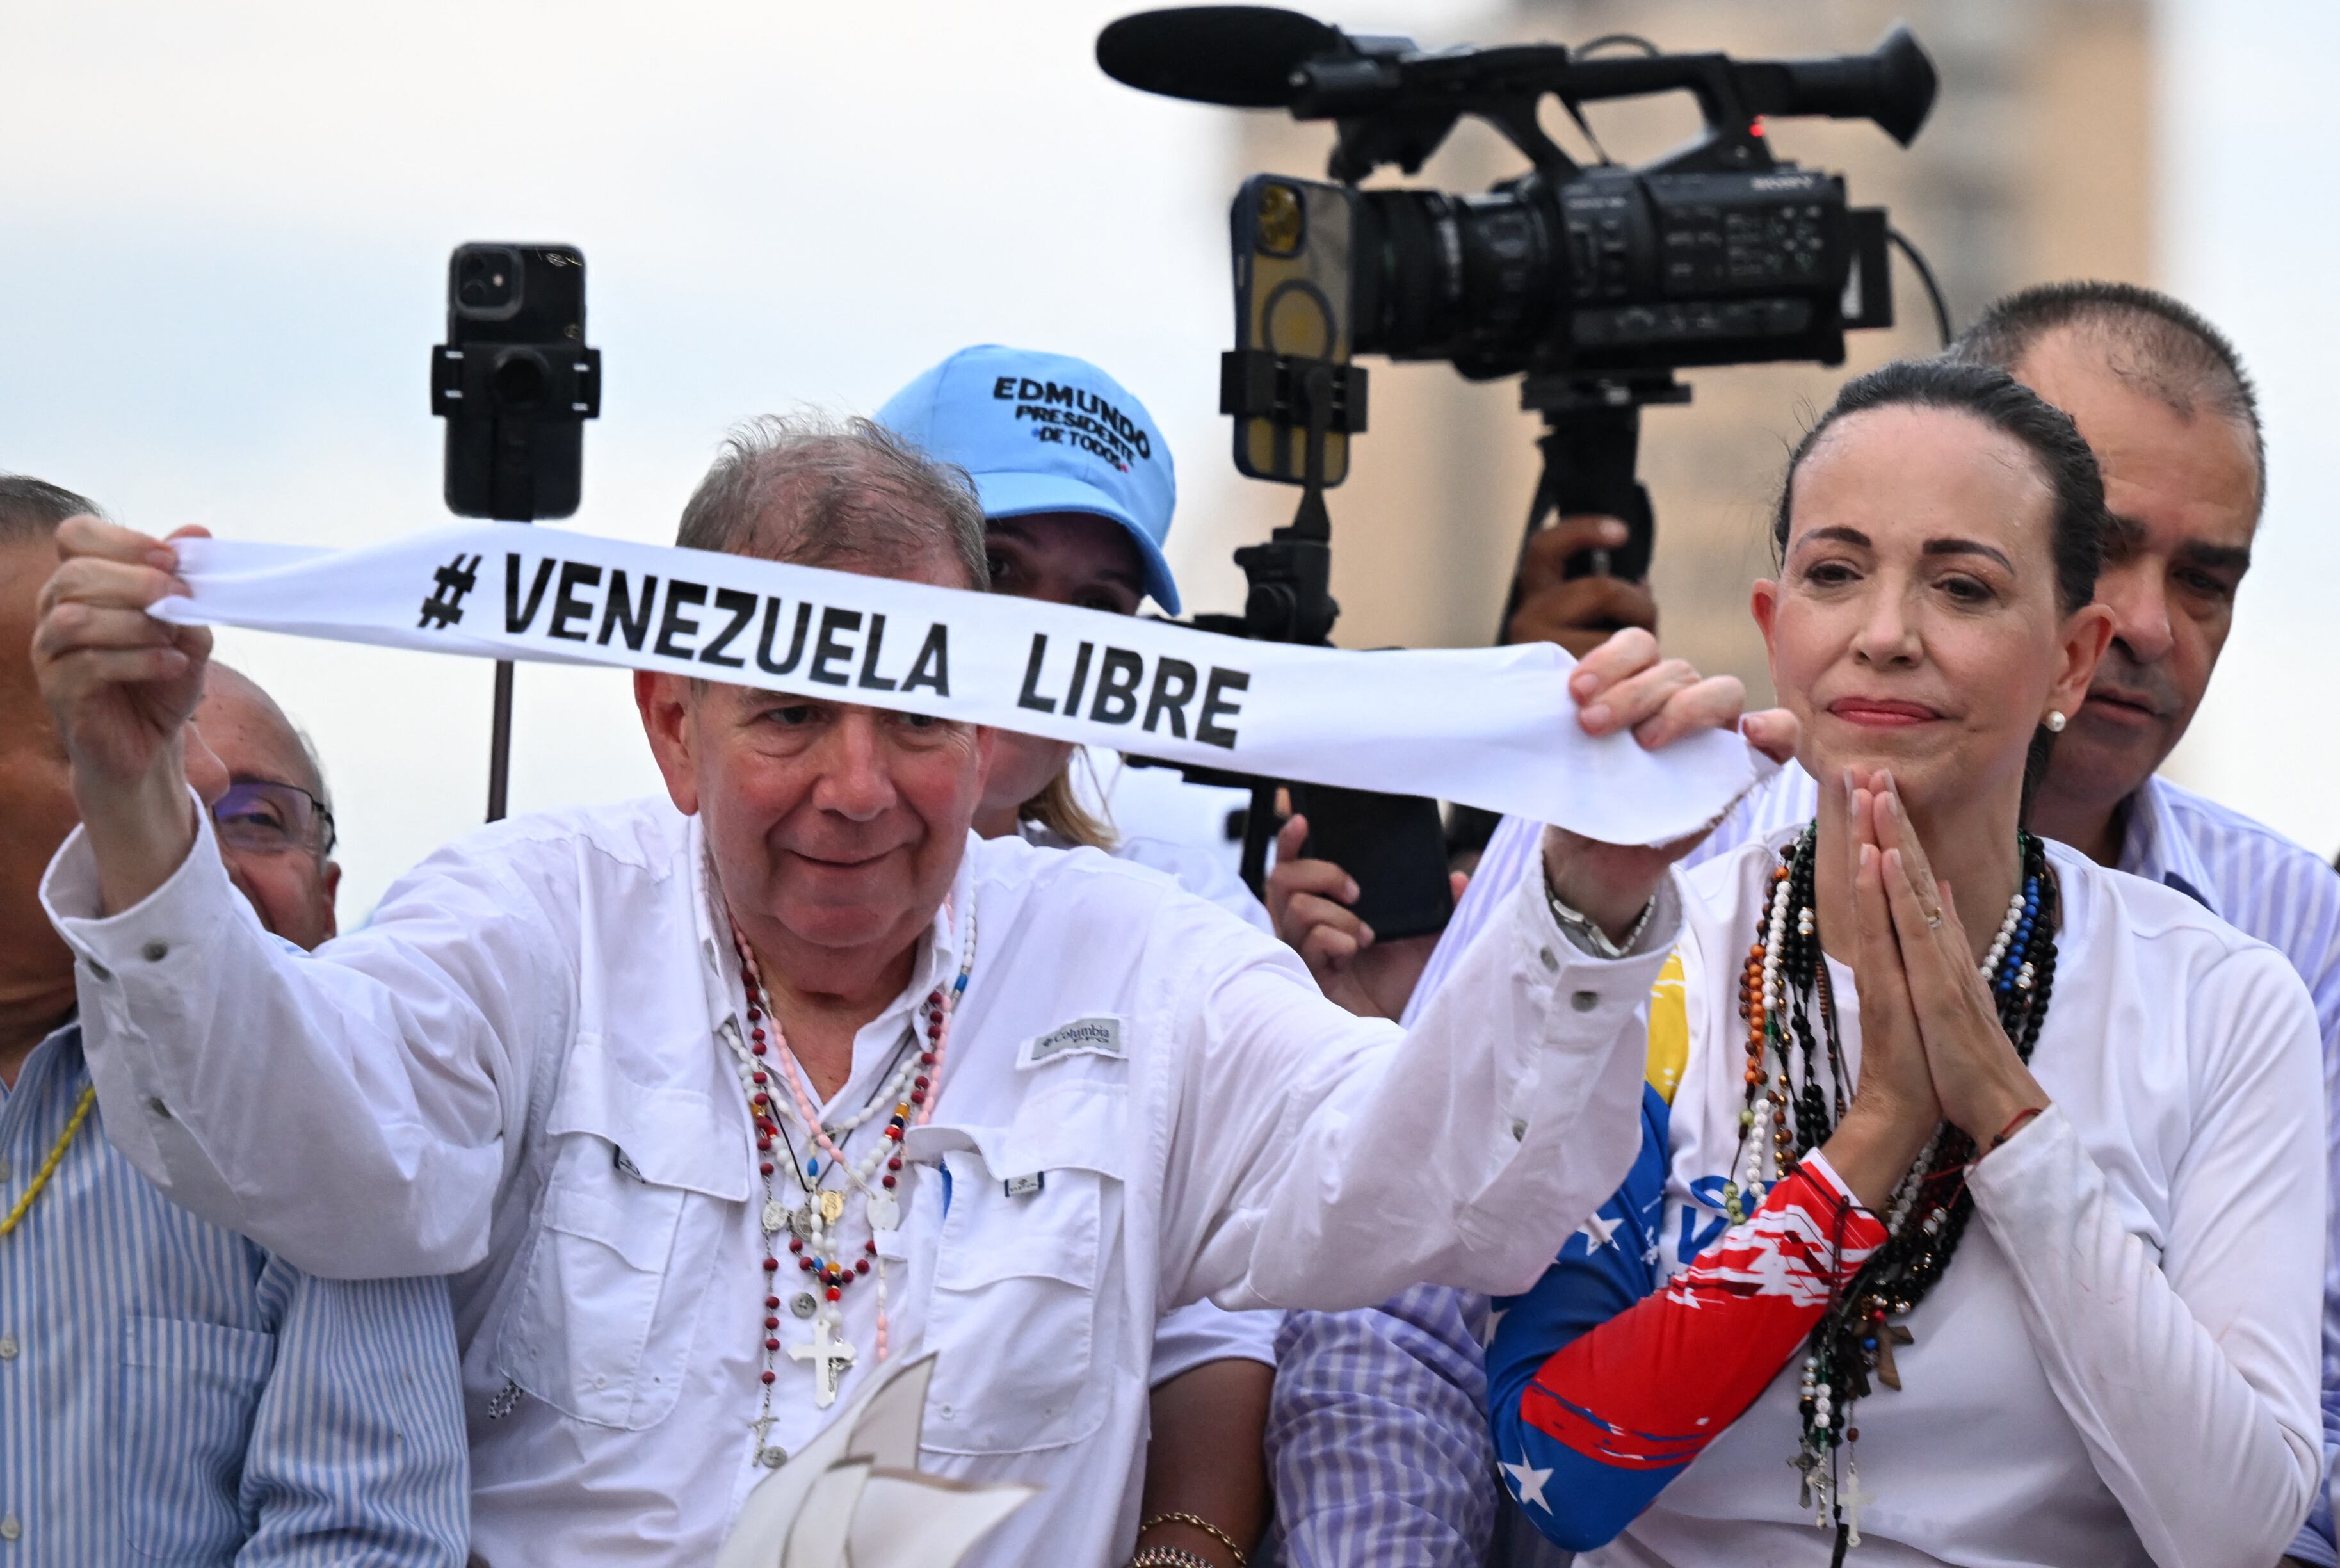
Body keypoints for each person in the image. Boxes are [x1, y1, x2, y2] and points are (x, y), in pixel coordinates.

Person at [31, 416, 1775, 1567]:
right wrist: (132, 802)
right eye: (789, 715)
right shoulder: (531, 914)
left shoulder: (1130, 952)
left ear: (990, 727)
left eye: (919, 723)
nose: (859, 790)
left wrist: (1583, 897)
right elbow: (297, 1151)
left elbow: (1429, 1199)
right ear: (672, 722)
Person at [1270, 280, 2340, 1568]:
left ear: (2068, 653)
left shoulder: (2232, 992)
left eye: (1961, 584)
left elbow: (2234, 1529)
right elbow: (1551, 1462)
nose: (1885, 636)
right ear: (1777, 628)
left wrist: (2003, 1115)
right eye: (1836, 573)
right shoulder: (1648, 933)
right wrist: (1873, 1140)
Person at [0, 474, 469, 1566]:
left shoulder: (341, 1126)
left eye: (257, 817)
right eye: (98, 741)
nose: (180, 809)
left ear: (331, 885)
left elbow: (366, 1537)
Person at [880, 344, 1277, 1568]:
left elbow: (1217, 1341)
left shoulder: (1182, 915)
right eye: (999, 574)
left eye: (1100, 611)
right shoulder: (628, 892)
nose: (1045, 643)